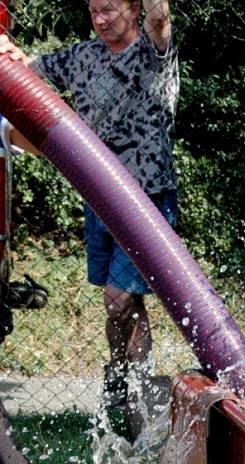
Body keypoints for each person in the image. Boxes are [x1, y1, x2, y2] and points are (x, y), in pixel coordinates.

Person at [0, 0, 179, 419]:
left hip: (145, 198)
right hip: (97, 194)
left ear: (133, 9)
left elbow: (161, 17)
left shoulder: (154, 53)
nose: (100, 20)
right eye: (93, 11)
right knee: (116, 302)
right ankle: (120, 378)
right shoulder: (81, 55)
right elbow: (25, 70)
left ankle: (132, 386)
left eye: (109, 10)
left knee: (120, 300)